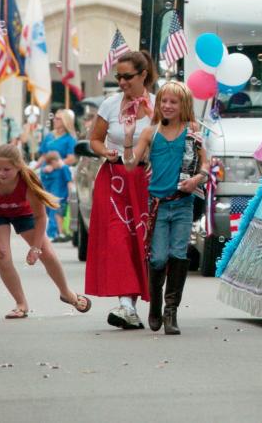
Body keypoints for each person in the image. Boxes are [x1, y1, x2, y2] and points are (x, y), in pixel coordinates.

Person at [125, 81, 208, 334]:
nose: (168, 106)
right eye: (164, 101)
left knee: (178, 254)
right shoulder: (151, 133)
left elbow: (206, 162)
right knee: (158, 256)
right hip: (158, 206)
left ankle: (171, 311)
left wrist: (197, 178)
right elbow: (130, 165)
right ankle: (155, 304)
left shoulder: (192, 130)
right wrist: (129, 138)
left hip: (182, 203)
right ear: (158, 104)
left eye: (174, 102)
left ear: (184, 105)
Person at [0, 143, 91, 319]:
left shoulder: (28, 179)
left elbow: (41, 217)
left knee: (47, 253)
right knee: (1, 256)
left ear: (18, 167)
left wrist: (36, 248)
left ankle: (67, 293)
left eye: (7, 169)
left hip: (24, 214)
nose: (1, 173)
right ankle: (21, 304)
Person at [85, 50, 157, 329]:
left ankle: (143, 303)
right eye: (118, 77)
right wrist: (106, 151)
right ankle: (125, 304)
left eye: (128, 76)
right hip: (115, 180)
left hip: (147, 179)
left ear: (143, 75)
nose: (122, 82)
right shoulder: (110, 104)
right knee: (118, 238)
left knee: (144, 241)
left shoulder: (159, 104)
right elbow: (94, 139)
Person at [39, 150, 73, 242]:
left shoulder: (63, 168)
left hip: (60, 197)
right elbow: (42, 179)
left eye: (52, 164)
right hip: (51, 197)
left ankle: (53, 234)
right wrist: (44, 170)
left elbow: (69, 182)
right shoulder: (50, 170)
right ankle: (58, 233)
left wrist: (70, 195)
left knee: (56, 215)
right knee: (54, 215)